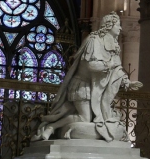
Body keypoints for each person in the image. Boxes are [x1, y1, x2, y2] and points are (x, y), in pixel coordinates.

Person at [35, 13, 142, 141]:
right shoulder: (94, 40)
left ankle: (55, 127)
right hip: (83, 86)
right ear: (109, 25)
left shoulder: (114, 45)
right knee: (85, 118)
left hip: (97, 90)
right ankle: (52, 127)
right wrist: (109, 64)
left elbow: (117, 69)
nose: (120, 28)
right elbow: (91, 65)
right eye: (118, 25)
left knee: (91, 119)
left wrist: (127, 82)